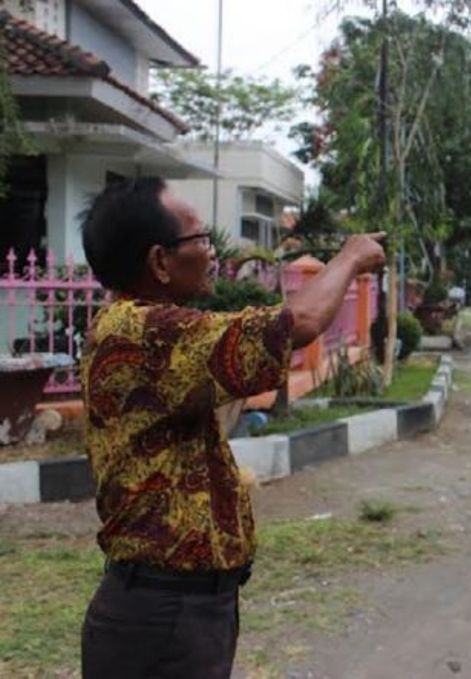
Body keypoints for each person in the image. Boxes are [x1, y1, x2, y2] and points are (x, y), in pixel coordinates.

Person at [77, 177, 385, 678]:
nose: (213, 251)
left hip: (177, 608)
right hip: (162, 613)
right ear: (159, 261)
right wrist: (349, 258)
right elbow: (298, 324)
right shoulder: (143, 332)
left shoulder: (150, 331)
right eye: (200, 239)